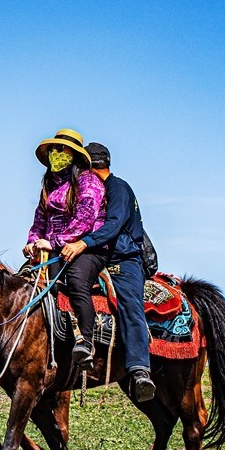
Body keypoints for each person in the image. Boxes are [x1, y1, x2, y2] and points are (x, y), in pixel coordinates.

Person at [60, 142, 155, 402]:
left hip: (123, 259)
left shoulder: (118, 189)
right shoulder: (95, 191)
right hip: (98, 254)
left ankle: (139, 370)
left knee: (129, 304)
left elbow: (113, 226)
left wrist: (82, 243)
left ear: (89, 166)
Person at [23, 129, 105, 370]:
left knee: (77, 281)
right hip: (53, 248)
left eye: (61, 149)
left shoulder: (88, 181)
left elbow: (85, 219)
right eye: (53, 150)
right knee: (24, 284)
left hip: (85, 245)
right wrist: (32, 240)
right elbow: (39, 219)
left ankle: (86, 341)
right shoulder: (48, 184)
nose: (55, 154)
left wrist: (55, 242)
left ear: (74, 154)